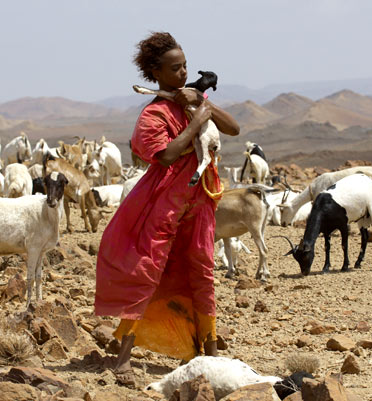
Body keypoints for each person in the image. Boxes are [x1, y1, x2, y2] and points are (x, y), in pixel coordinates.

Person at [94, 31, 239, 387]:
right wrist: (196, 118)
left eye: (185, 66)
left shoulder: (192, 100)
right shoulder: (153, 114)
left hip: (200, 203)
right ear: (156, 73)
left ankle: (209, 353)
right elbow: (167, 155)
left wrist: (204, 104)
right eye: (175, 69)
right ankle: (123, 357)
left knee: (202, 271)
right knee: (149, 271)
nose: (182, 73)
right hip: (164, 205)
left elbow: (233, 129)